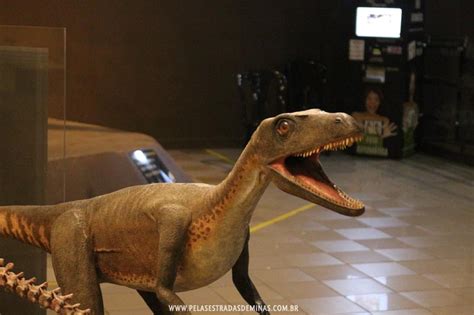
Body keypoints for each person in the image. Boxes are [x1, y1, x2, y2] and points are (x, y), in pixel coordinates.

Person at [352, 88, 397, 156]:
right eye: (369, 99)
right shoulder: (356, 115)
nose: (372, 103)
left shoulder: (384, 120)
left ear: (380, 102)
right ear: (364, 100)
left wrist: (383, 137)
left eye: (376, 99)